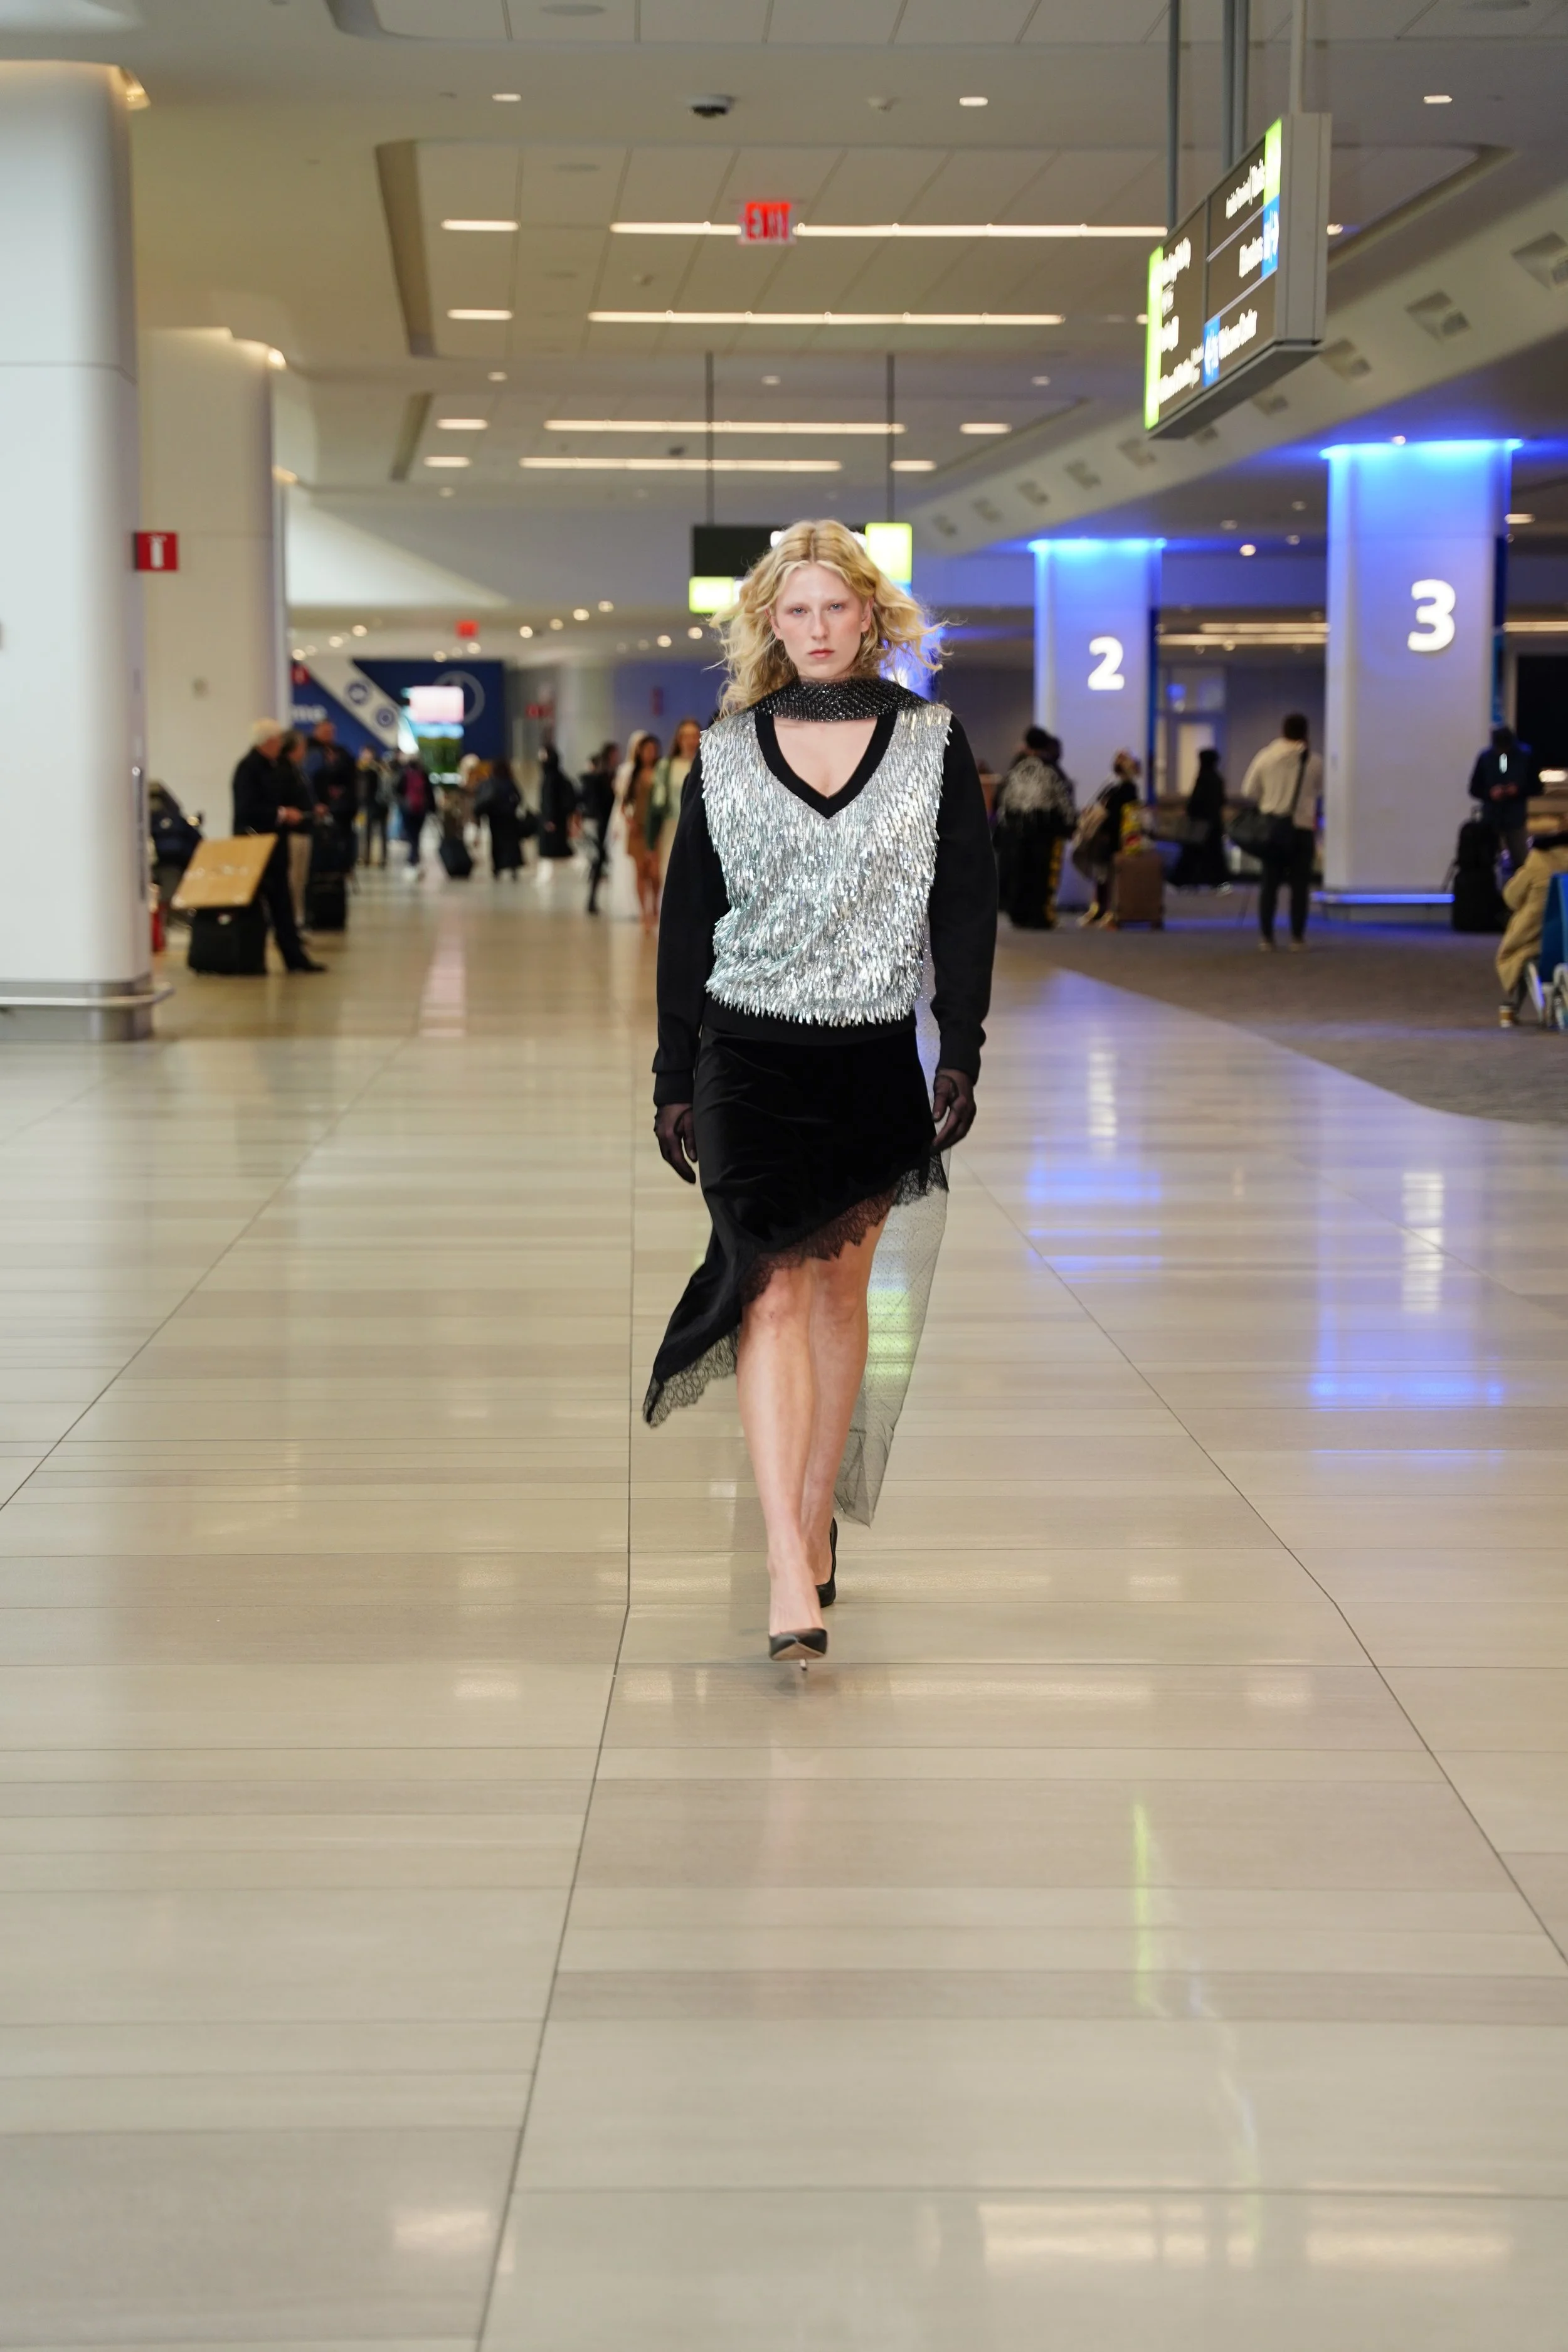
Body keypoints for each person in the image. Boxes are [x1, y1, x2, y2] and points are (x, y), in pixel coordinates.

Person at [647, 518, 996, 1663]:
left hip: (870, 1051)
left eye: (834, 608)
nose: (816, 630)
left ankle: (811, 1521)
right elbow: (688, 916)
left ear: (871, 614)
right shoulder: (730, 749)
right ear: (769, 623)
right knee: (770, 1291)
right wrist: (671, 1069)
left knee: (841, 1300)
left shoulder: (934, 743)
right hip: (744, 1050)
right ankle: (788, 1572)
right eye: (793, 611)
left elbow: (965, 907)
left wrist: (962, 1045)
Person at [228, 721, 325, 973]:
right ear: (267, 742)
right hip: (255, 847)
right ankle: (249, 959)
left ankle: (294, 958)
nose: (281, 746)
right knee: (256, 906)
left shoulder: (273, 767)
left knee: (283, 903)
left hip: (275, 847)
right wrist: (281, 814)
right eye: (277, 741)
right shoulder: (248, 769)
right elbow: (247, 809)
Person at [1239, 713, 1322, 951]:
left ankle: (1267, 937)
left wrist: (1272, 797)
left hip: (1273, 829)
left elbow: (1249, 790)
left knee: (1270, 884)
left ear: (1282, 731)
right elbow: (1319, 791)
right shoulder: (1314, 761)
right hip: (1302, 829)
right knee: (1300, 887)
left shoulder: (1265, 757)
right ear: (1306, 732)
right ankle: (1297, 937)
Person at [993, 725, 1076, 929]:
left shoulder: (1016, 769)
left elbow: (1002, 800)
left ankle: (1018, 914)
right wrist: (1070, 826)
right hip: (1043, 829)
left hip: (1015, 828)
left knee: (1018, 871)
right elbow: (1063, 799)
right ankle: (1038, 916)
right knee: (1041, 873)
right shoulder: (1051, 770)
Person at [1496, 820, 1568, 1025]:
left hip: (1538, 939)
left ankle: (1515, 1009)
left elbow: (1511, 898)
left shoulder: (1538, 863)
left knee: (1518, 955)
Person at [1078, 750, 1143, 927]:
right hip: (1104, 836)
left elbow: (1122, 814)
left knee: (1111, 875)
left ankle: (1110, 910)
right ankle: (1098, 907)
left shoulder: (1129, 789)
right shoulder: (1112, 786)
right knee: (1101, 875)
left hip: (1115, 836)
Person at [1469, 724, 1539, 876]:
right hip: (1491, 819)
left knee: (1522, 863)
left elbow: (1537, 787)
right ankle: (1491, 896)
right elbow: (1474, 789)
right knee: (1488, 862)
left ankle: (1518, 896)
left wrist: (1518, 790)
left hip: (1516, 819)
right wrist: (1490, 793)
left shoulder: (1525, 756)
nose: (1502, 752)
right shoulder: (1486, 758)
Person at [1170, 745, 1230, 890]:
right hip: (1214, 823)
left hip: (1199, 824)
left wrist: (1188, 812)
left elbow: (1196, 802)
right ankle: (1219, 882)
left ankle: (1180, 880)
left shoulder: (1202, 778)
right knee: (1216, 855)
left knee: (1190, 854)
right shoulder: (1218, 778)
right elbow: (1222, 801)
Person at [654, 717, 703, 892]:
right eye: (686, 736)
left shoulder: (707, 763)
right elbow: (658, 803)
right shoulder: (667, 766)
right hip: (672, 827)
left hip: (698, 829)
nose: (690, 740)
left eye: (694, 735)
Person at [623, 733, 664, 931]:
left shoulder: (661, 772)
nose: (650, 753)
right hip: (637, 829)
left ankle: (655, 906)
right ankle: (643, 912)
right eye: (646, 749)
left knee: (655, 873)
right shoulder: (634, 774)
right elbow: (625, 803)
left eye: (653, 749)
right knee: (640, 871)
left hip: (655, 828)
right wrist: (629, 820)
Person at [277, 731, 317, 927]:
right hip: (293, 833)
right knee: (293, 880)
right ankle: (291, 922)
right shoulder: (284, 771)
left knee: (300, 880)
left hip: (304, 830)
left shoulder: (298, 770)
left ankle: (297, 920)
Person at [307, 721, 360, 870]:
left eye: (331, 731)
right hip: (317, 808)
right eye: (326, 731)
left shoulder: (341, 752)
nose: (329, 735)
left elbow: (350, 775)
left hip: (342, 809)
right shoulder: (311, 752)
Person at [581, 740, 618, 914]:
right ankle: (592, 900)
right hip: (602, 823)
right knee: (599, 860)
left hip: (604, 822)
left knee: (599, 861)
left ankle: (593, 900)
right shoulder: (602, 778)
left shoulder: (605, 776)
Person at [480, 757, 526, 879]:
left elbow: (485, 799)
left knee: (496, 843)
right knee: (512, 844)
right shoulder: (509, 782)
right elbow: (519, 797)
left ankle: (497, 868)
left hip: (495, 818)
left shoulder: (491, 782)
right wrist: (512, 807)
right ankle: (513, 866)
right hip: (509, 817)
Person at [537, 740, 577, 866]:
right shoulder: (557, 775)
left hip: (553, 819)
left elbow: (549, 799)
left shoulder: (550, 777)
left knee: (551, 853)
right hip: (558, 818)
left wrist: (549, 818)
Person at [397, 758, 432, 877]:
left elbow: (398, 790)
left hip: (408, 809)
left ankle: (413, 857)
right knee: (417, 835)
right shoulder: (424, 775)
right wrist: (433, 809)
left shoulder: (404, 775)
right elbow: (429, 792)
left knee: (411, 835)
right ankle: (415, 855)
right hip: (421, 810)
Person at [358, 748, 389, 867]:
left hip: (371, 806)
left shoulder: (367, 772)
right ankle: (384, 859)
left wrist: (362, 803)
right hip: (383, 806)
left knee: (368, 833)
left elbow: (364, 791)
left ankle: (366, 858)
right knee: (383, 833)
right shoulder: (385, 772)